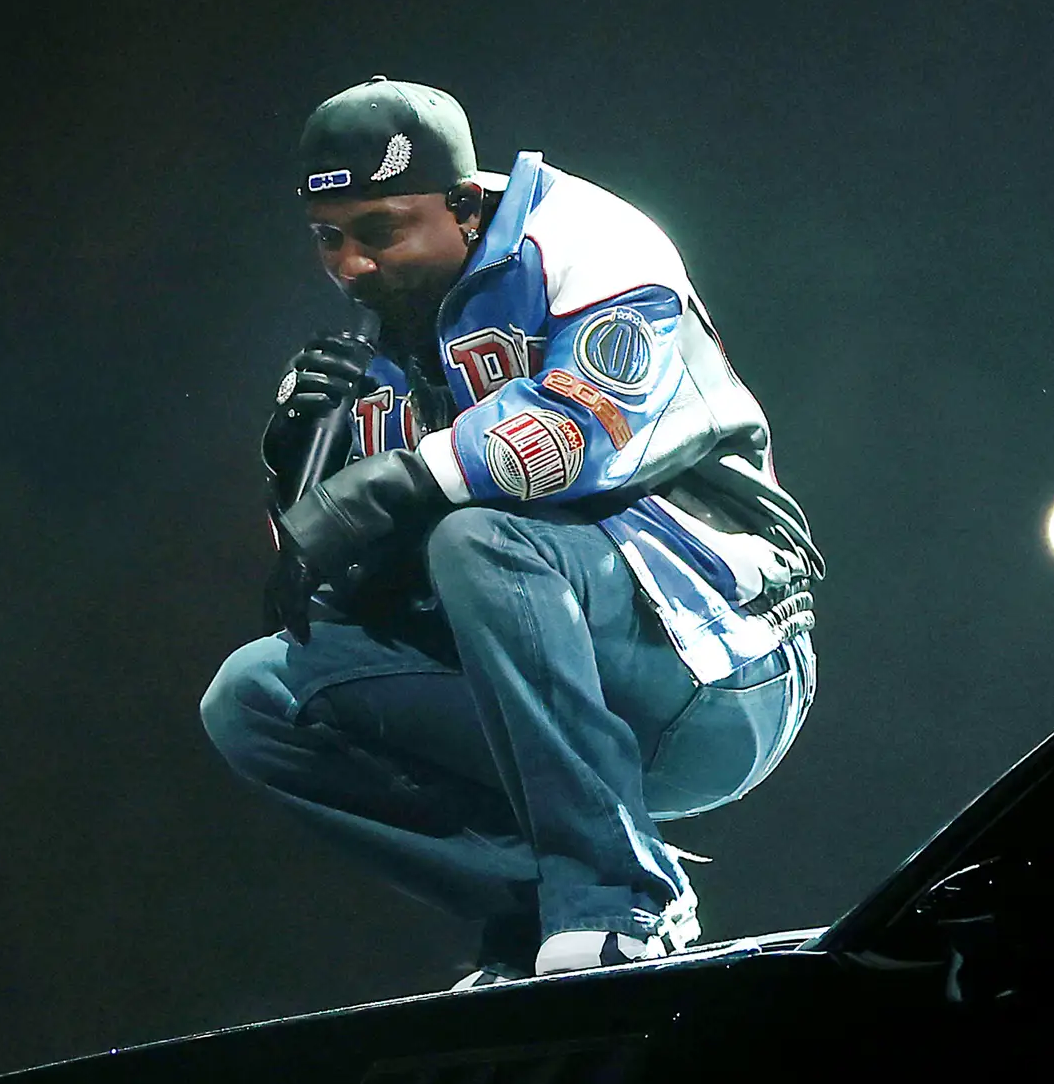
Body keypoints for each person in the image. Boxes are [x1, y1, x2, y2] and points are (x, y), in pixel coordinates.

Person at [199, 80, 822, 981]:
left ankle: (621, 900)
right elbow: (338, 577)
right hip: (544, 692)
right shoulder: (377, 333)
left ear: (462, 203)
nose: (351, 266)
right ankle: (538, 915)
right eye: (329, 238)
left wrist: (398, 479)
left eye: (379, 229)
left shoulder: (587, 240)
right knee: (256, 696)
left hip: (720, 665)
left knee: (479, 539)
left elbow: (586, 427)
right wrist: (300, 460)